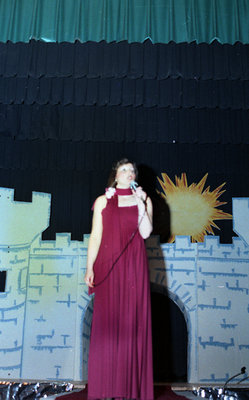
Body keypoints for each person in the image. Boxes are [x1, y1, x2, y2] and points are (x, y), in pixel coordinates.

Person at [84, 158, 154, 400]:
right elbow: (95, 236)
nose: (129, 173)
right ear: (115, 175)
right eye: (124, 170)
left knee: (131, 325)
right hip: (108, 266)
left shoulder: (144, 199)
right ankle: (106, 388)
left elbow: (145, 232)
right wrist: (89, 267)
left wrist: (141, 204)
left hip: (134, 267)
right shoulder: (103, 201)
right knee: (108, 326)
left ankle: (129, 389)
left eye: (132, 170)